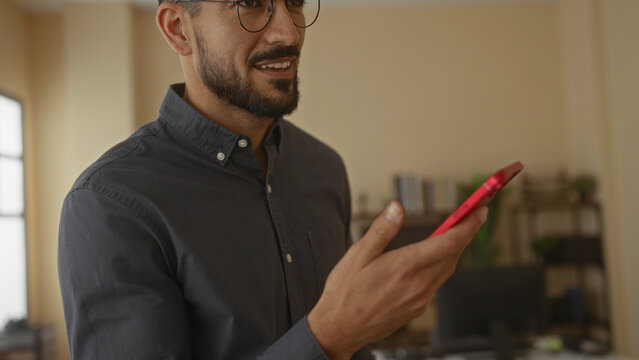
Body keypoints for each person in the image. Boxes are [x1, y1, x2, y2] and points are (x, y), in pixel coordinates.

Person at [57, 0, 488, 359]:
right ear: (179, 30)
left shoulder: (323, 168)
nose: (290, 33)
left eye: (295, 2)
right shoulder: (110, 204)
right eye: (251, 4)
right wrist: (326, 337)